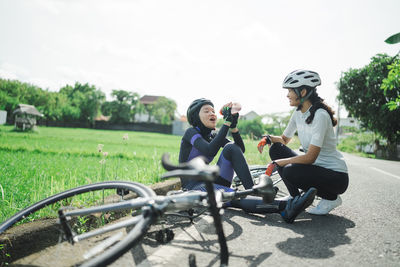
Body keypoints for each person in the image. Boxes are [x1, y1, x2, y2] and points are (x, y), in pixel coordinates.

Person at [179, 98, 317, 223]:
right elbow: (209, 150)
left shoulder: (212, 134)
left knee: (231, 148)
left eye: (213, 111)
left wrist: (233, 127)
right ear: (195, 116)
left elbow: (239, 149)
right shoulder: (191, 132)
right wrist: (226, 122)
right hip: (193, 186)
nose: (212, 113)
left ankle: (253, 192)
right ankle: (284, 208)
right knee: (234, 198)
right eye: (206, 111)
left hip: (210, 180)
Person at [258, 69, 349, 215]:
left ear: (303, 92)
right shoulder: (298, 113)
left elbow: (310, 157)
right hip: (314, 169)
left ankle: (331, 198)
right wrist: (268, 138)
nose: (287, 95)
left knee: (289, 169)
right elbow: (284, 140)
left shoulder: (320, 115)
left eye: (290, 91)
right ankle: (296, 197)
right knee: (276, 149)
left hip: (335, 177)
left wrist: (279, 163)